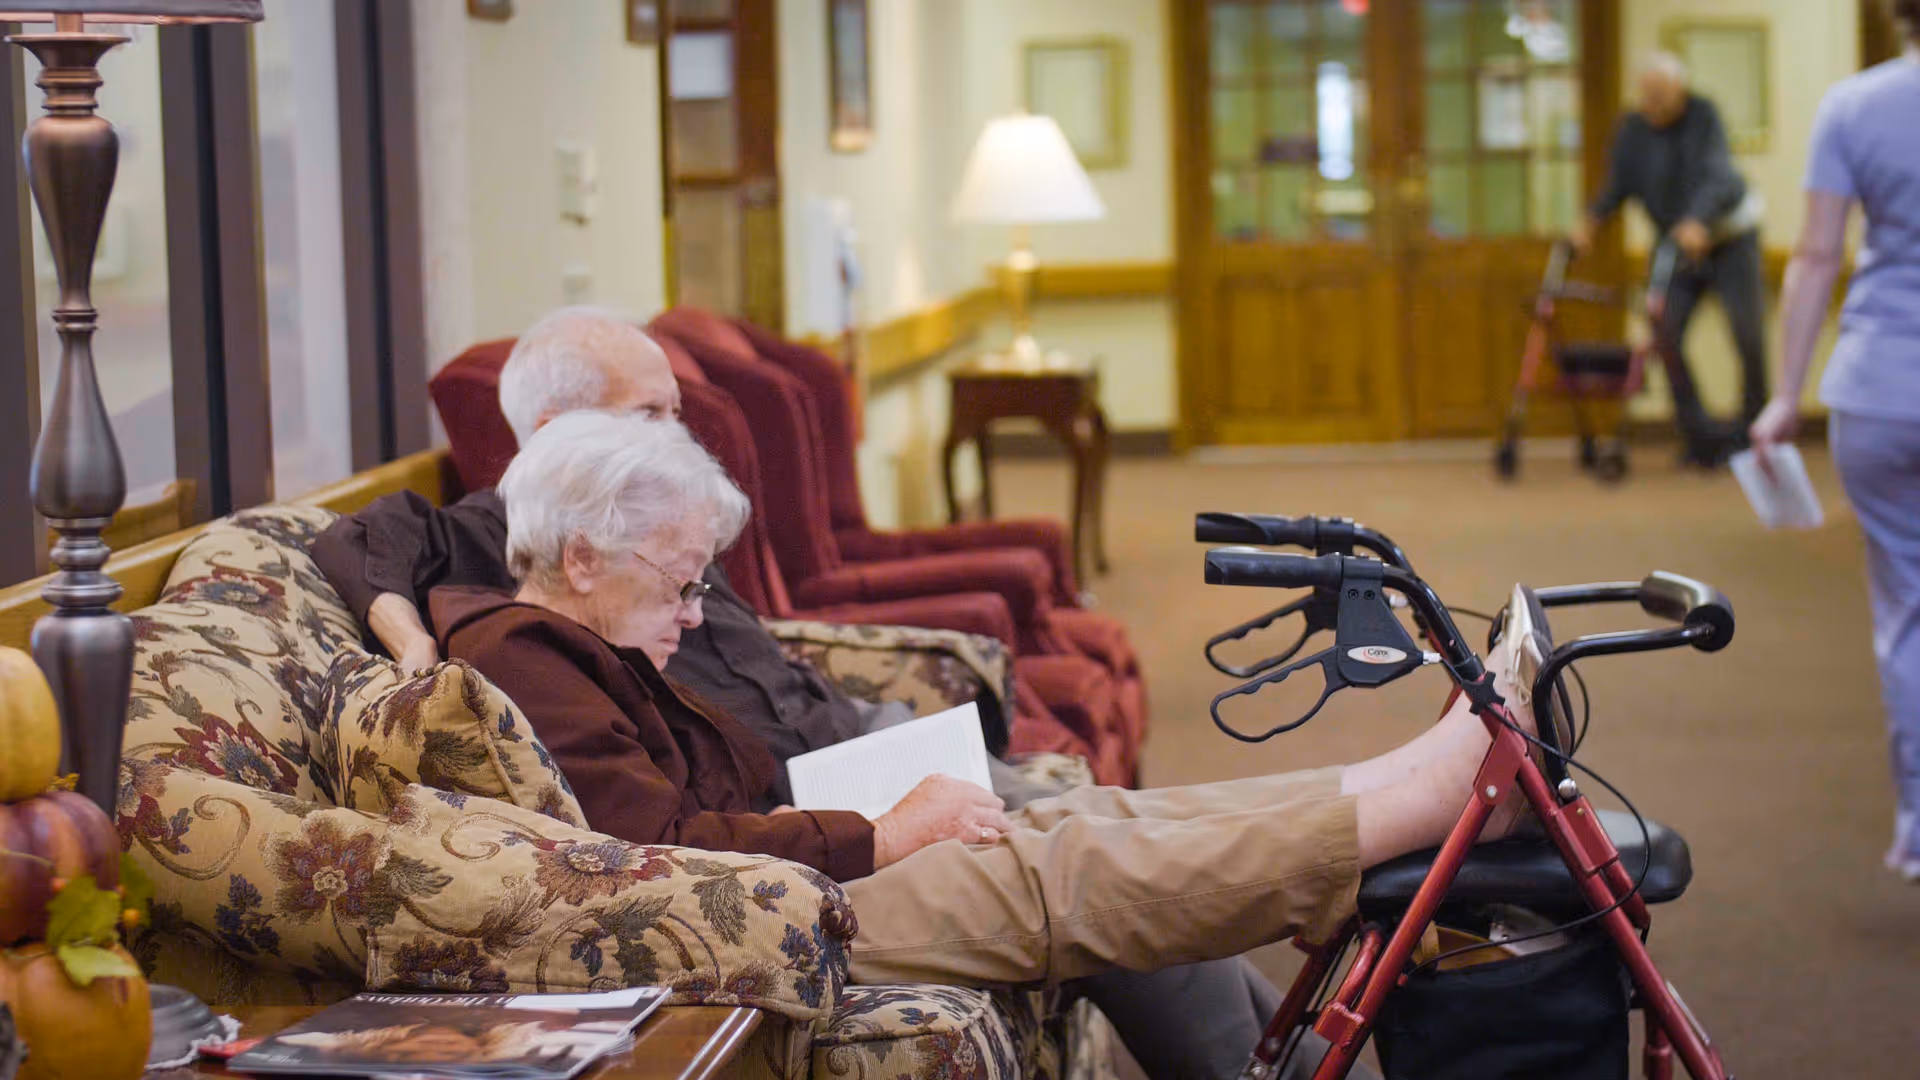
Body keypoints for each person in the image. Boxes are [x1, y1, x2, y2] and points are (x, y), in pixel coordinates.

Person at [310, 309, 1373, 1079]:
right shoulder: (510, 555)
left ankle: (1304, 990)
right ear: (560, 438)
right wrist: (405, 634)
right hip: (803, 804)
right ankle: (1374, 851)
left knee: (1092, 819)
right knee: (1073, 856)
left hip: (832, 758)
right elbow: (358, 543)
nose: (677, 435)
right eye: (650, 413)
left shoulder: (654, 520)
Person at [441, 410, 1539, 1002]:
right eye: (679, 582)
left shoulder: (580, 637)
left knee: (1078, 817)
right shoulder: (527, 655)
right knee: (1055, 868)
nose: (694, 610)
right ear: (580, 557)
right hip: (746, 920)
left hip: (774, 873)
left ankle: (1395, 785)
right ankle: (1417, 806)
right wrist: (881, 830)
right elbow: (658, 849)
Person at [1749, 0, 1920, 881]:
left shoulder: (1853, 105)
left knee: (1907, 613)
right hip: (1884, 389)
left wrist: (1784, 397)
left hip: (1883, 391)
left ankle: (1919, 824)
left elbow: (1816, 257)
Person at [1572, 52, 1767, 467]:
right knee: (1666, 333)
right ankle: (1699, 436)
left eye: (1661, 95)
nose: (1653, 104)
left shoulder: (1703, 116)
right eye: (1647, 95)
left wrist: (1698, 220)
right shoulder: (1633, 131)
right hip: (1675, 245)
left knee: (1748, 335)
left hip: (1728, 238)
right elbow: (1618, 184)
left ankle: (1755, 434)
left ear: (1681, 91)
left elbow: (1720, 175)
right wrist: (1591, 220)